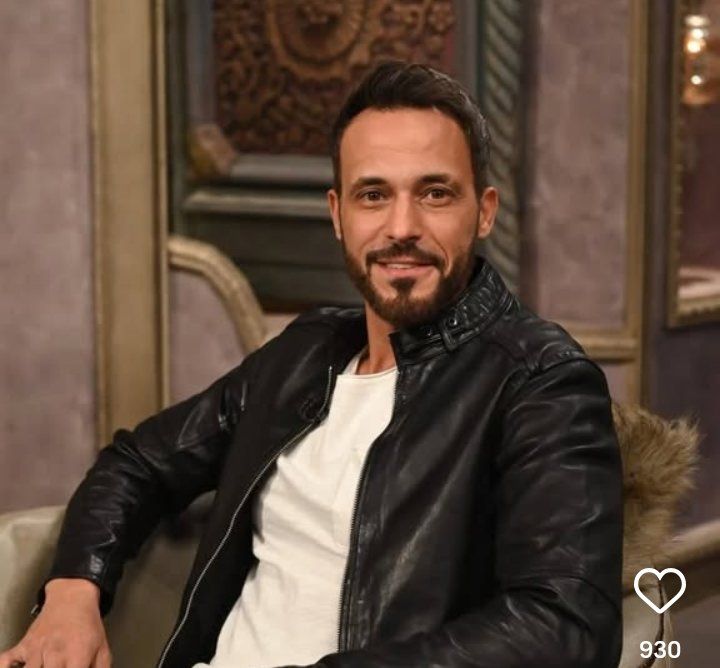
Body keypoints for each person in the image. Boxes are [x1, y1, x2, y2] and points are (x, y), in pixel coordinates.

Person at [0, 61, 623, 668]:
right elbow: (138, 463)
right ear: (337, 214)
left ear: (483, 211)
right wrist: (72, 595)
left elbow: (566, 625)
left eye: (435, 193)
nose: (401, 226)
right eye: (373, 195)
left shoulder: (540, 380)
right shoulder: (303, 355)